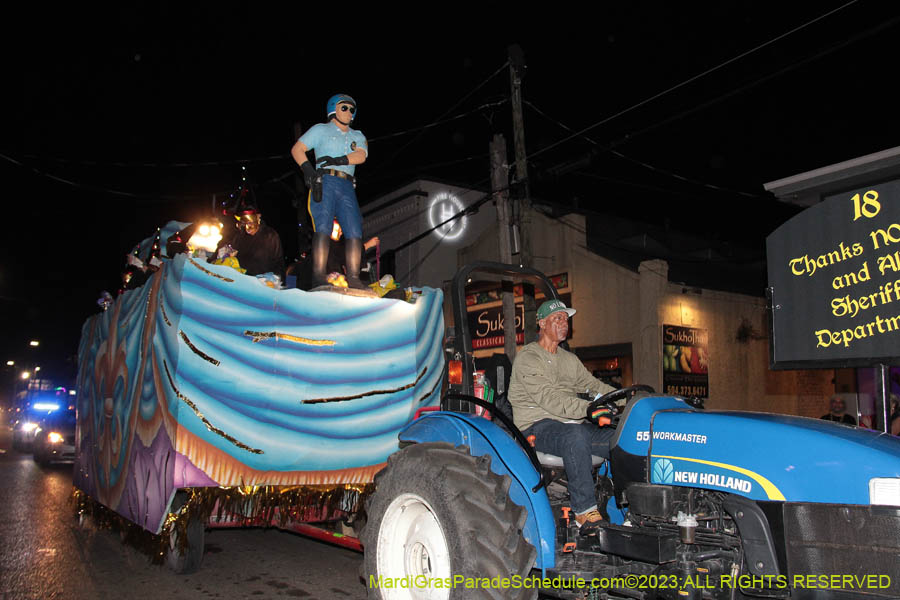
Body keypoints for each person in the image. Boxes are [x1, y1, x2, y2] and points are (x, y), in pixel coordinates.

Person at [508, 299, 617, 535]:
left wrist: (626, 398)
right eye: (557, 318)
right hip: (537, 426)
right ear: (542, 323)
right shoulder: (528, 358)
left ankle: (629, 508)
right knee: (575, 435)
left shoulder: (569, 360)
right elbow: (550, 400)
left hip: (571, 425)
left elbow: (593, 386)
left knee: (620, 439)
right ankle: (584, 511)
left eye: (566, 319)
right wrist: (588, 409)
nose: (564, 323)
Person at [291, 93, 368, 289]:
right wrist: (307, 169)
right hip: (325, 180)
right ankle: (318, 275)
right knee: (323, 226)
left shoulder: (357, 135)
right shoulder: (321, 130)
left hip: (347, 183)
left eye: (352, 109)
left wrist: (341, 160)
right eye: (345, 108)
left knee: (354, 229)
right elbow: (298, 149)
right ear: (333, 109)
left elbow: (361, 155)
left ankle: (353, 276)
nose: (349, 112)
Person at [218, 201, 284, 278]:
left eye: (250, 223)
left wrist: (276, 280)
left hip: (262, 282)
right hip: (242, 280)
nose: (247, 228)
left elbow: (278, 262)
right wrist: (224, 253)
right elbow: (229, 254)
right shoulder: (239, 236)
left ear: (258, 217)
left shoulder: (270, 235)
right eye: (244, 223)